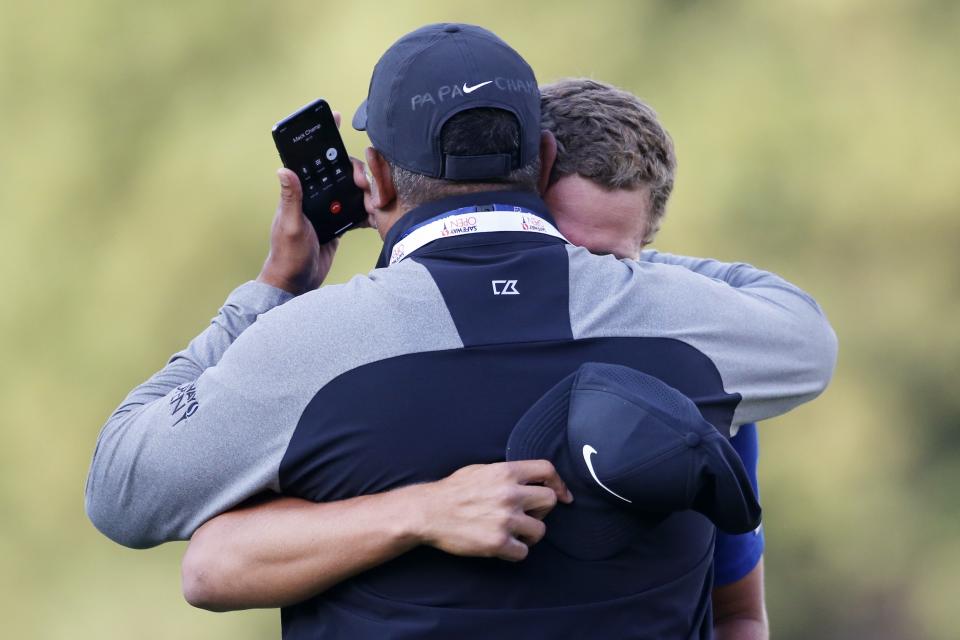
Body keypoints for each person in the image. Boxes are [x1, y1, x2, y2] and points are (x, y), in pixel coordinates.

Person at [85, 23, 836, 639]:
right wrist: (619, 269)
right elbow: (805, 334)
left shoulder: (309, 346)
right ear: (541, 162)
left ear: (373, 178)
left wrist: (272, 290)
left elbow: (123, 491)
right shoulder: (698, 347)